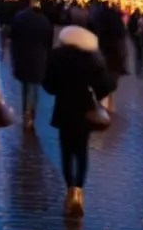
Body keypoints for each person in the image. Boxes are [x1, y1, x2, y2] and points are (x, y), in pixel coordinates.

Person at [43, 24, 108, 217]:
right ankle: (79, 190)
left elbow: (48, 84)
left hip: (64, 107)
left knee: (65, 150)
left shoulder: (57, 56)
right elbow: (103, 85)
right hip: (85, 108)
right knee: (81, 151)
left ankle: (70, 188)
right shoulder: (91, 58)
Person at [8, 0, 53, 129]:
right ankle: (31, 114)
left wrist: (13, 56)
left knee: (26, 86)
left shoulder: (19, 17)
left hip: (22, 55)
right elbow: (48, 42)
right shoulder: (44, 20)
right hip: (38, 57)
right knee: (35, 86)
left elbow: (13, 37)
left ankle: (26, 112)